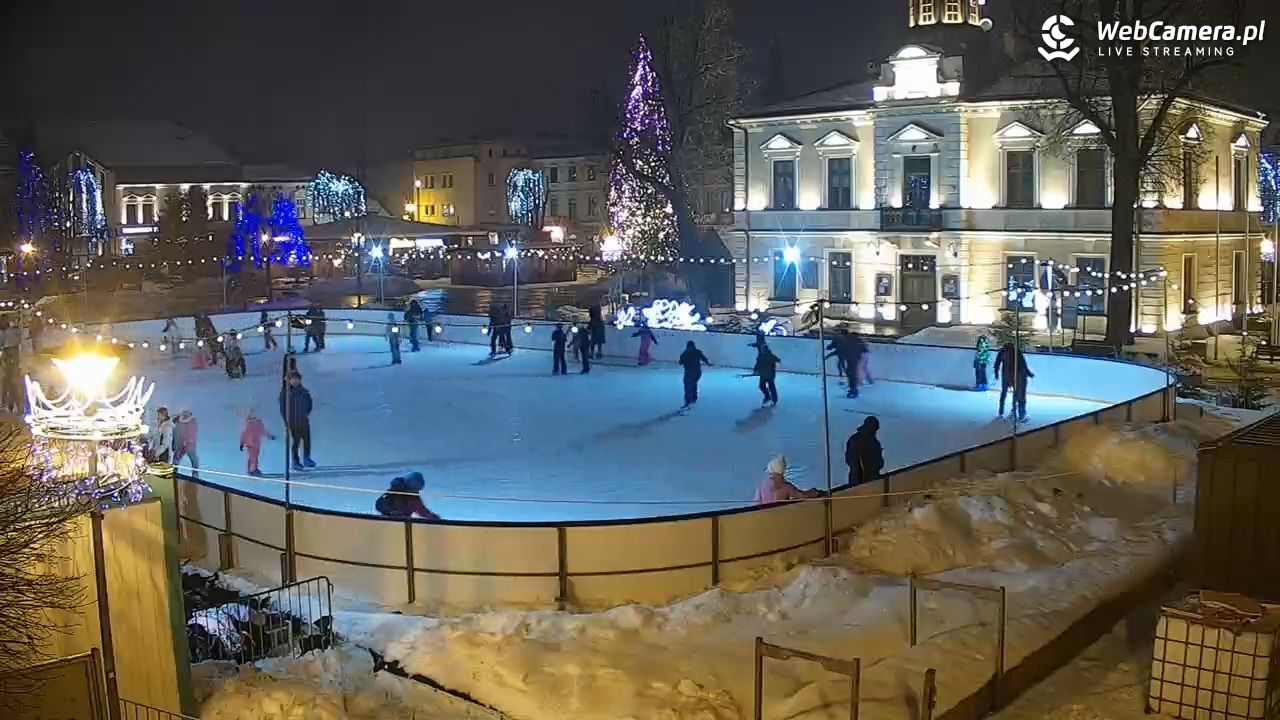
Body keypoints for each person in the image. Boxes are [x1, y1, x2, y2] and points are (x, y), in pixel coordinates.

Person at [279, 371, 315, 470]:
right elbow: (283, 409)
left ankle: (307, 458)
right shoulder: (285, 393)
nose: (295, 381)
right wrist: (287, 421)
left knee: (307, 440)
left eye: (297, 379)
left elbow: (309, 403)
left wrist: (305, 413)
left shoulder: (304, 391)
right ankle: (295, 461)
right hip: (293, 422)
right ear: (289, 380)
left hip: (303, 419)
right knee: (296, 441)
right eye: (293, 379)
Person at [754, 456, 820, 504]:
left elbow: (755, 504)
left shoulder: (761, 487)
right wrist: (815, 493)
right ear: (783, 470)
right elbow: (802, 496)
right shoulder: (786, 487)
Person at [994, 342, 1034, 421]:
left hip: (1006, 375)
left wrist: (996, 373)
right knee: (1019, 394)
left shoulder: (1002, 351)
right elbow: (1023, 364)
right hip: (1016, 375)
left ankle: (1001, 412)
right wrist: (1029, 373)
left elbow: (997, 363)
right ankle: (1020, 414)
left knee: (1004, 392)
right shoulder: (1016, 351)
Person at [375, 472, 440, 520]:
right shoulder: (402, 495)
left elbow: (420, 509)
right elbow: (420, 509)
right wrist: (432, 517)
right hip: (397, 523)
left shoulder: (397, 490)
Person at [845, 416, 884, 486]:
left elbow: (880, 463)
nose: (875, 432)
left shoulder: (874, 443)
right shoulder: (856, 441)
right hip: (861, 482)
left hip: (870, 481)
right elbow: (852, 461)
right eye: (874, 429)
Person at [239, 408, 275, 477]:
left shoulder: (257, 425)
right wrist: (242, 443)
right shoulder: (250, 425)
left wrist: (270, 436)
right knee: (253, 458)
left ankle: (252, 469)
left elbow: (263, 432)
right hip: (250, 444)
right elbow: (244, 434)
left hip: (255, 444)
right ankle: (253, 470)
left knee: (253, 457)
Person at [678, 341, 711, 408]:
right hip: (697, 372)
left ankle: (688, 401)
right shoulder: (698, 352)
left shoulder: (685, 353)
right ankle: (694, 397)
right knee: (693, 384)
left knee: (688, 386)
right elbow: (704, 359)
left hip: (689, 372)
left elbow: (680, 362)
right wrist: (708, 363)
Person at [0, 317, 21, 413]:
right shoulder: (2, 333)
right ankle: (5, 404)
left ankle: (13, 404)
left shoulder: (15, 331)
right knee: (7, 384)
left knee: (13, 385)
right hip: (7, 355)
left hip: (12, 355)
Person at [173, 409, 200, 475]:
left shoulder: (191, 423)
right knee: (176, 459)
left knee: (193, 459)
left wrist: (187, 441)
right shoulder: (179, 423)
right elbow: (176, 433)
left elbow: (191, 434)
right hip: (180, 444)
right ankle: (174, 472)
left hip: (187, 445)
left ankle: (195, 474)